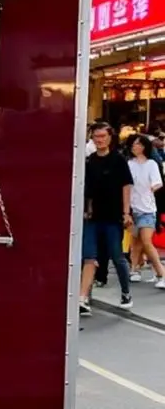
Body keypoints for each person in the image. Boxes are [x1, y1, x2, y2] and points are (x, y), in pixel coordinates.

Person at [80, 121, 134, 317]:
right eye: (96, 137)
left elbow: (126, 186)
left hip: (113, 215)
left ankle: (126, 291)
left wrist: (126, 212)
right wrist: (87, 209)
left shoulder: (118, 160)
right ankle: (83, 297)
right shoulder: (90, 161)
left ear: (110, 138)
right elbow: (88, 191)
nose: (99, 140)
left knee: (116, 256)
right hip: (93, 216)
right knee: (89, 256)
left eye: (103, 136)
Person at [126, 133, 165, 287]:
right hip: (132, 208)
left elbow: (158, 183)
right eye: (134, 144)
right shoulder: (129, 164)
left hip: (148, 209)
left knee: (147, 241)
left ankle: (161, 273)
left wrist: (150, 189)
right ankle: (135, 269)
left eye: (139, 144)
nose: (135, 147)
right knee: (135, 241)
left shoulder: (151, 164)